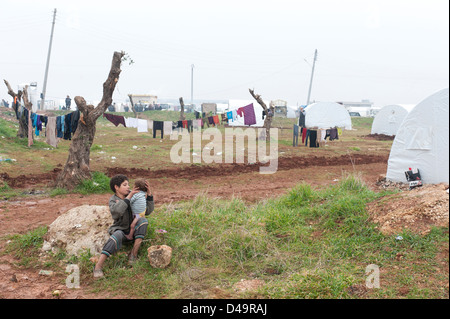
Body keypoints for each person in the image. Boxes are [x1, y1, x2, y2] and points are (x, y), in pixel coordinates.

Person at [93, 174, 154, 278]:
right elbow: (116, 212)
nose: (128, 187)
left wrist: (148, 196)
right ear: (116, 187)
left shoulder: (134, 195)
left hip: (134, 230)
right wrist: (128, 198)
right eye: (125, 185)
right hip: (121, 230)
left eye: (128, 184)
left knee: (143, 221)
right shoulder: (113, 200)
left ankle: (133, 255)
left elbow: (147, 211)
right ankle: (98, 266)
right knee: (116, 235)